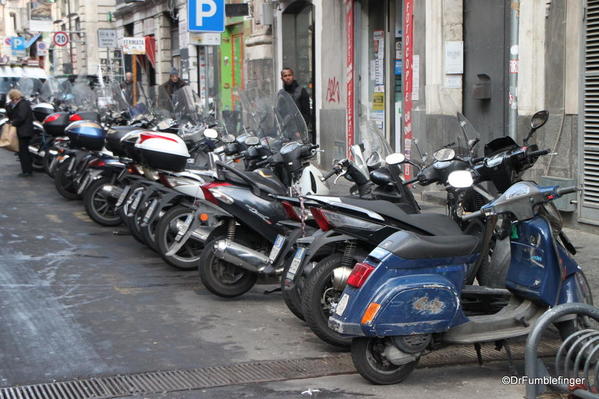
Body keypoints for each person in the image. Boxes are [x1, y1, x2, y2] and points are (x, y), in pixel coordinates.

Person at [6, 89, 34, 177]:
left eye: (12, 99)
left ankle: (27, 171)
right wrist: (9, 106)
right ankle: (27, 170)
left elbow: (21, 117)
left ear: (15, 97)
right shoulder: (20, 104)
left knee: (23, 152)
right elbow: (11, 115)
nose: (12, 101)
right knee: (23, 151)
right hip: (23, 131)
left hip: (24, 131)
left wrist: (13, 123)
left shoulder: (23, 104)